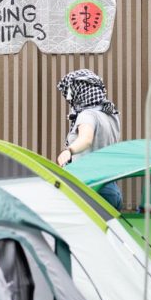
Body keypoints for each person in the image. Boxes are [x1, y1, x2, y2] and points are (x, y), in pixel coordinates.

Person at [55, 68, 123, 210]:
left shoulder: (87, 115)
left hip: (91, 188)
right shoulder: (111, 115)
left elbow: (86, 139)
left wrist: (69, 151)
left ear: (79, 93)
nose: (70, 99)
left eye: (70, 93)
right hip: (112, 189)